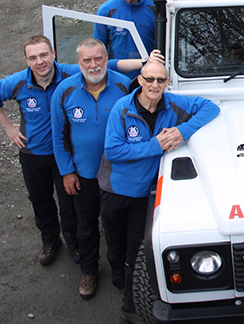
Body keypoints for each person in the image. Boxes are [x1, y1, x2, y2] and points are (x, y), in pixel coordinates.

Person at [0, 35, 160, 267]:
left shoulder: (111, 83)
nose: (40, 62)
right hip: (44, 156)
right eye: (33, 57)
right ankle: (61, 248)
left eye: (44, 55)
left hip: (98, 166)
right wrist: (8, 128)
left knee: (85, 212)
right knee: (50, 205)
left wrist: (146, 62)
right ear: (26, 60)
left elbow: (116, 69)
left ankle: (95, 256)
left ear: (54, 54)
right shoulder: (43, 86)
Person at [100, 61, 219, 323]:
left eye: (161, 80)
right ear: (140, 80)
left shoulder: (172, 103)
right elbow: (114, 151)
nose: (155, 85)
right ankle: (118, 278)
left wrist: (181, 131)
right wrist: (155, 146)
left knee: (136, 250)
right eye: (150, 79)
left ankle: (129, 306)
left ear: (167, 83)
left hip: (145, 194)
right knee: (114, 243)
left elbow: (210, 107)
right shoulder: (122, 109)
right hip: (116, 190)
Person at [51, 38, 163, 299]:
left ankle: (126, 274)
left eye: (98, 58)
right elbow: (58, 136)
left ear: (107, 57)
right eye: (86, 60)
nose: (93, 65)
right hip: (85, 175)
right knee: (87, 224)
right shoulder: (64, 91)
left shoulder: (124, 85)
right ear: (77, 63)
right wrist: (67, 171)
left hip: (119, 176)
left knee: (120, 227)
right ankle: (89, 271)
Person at [94, 0, 155, 79]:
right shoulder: (106, 11)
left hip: (150, 76)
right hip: (118, 76)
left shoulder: (154, 7)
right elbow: (98, 48)